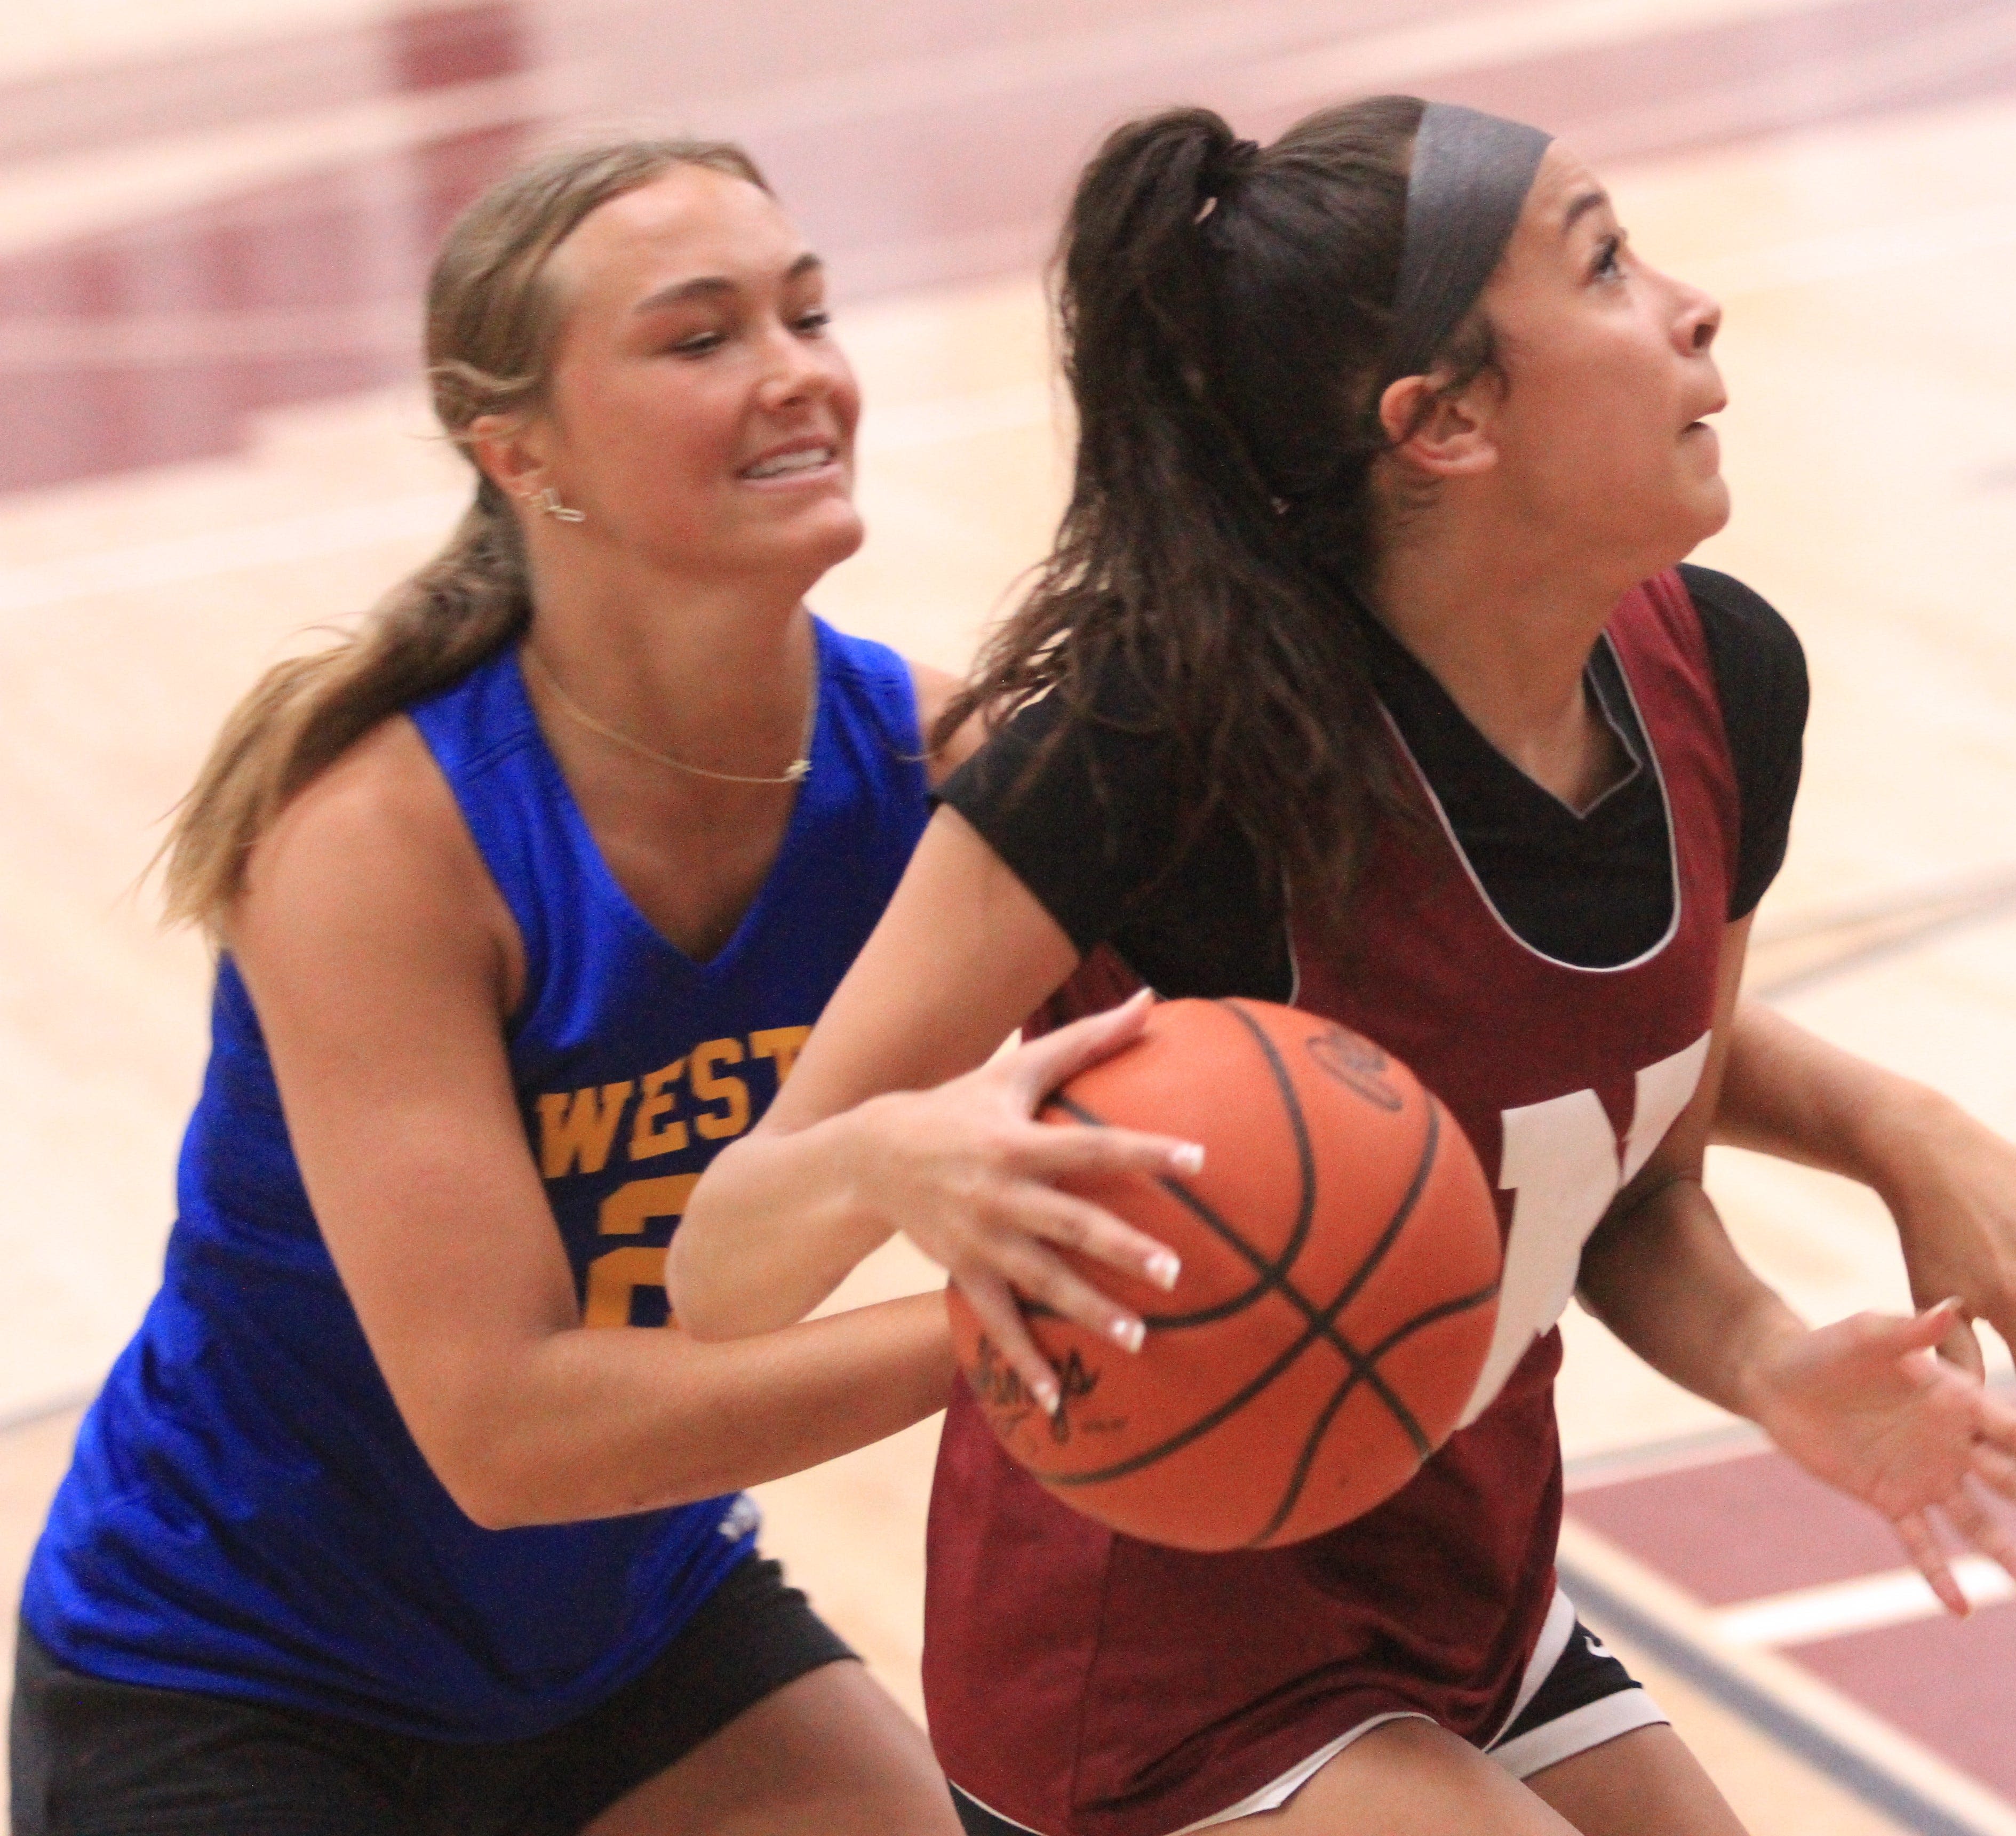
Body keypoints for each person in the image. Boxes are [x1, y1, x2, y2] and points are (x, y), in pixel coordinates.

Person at [667, 97, 2016, 1836]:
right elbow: (725, 1263)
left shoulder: (1721, 679)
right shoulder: (1151, 753)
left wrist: (1779, 1362)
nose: (1692, 304)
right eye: (1608, 263)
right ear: (1442, 421)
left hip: (1464, 1593)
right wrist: (897, 1153)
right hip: (1149, 1675)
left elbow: (1622, 1183)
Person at [8, 139, 1186, 1836]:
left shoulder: (942, 771)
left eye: (809, 312)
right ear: (520, 452)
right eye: (700, 339)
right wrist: (1015, 1320)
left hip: (627, 1639)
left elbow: (1230, 1064)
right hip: (236, 1672)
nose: (796, 375)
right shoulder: (379, 836)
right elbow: (508, 1430)